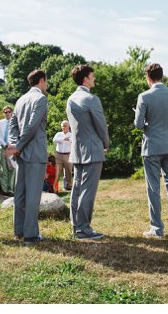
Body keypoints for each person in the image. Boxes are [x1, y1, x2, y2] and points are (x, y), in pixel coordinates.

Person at [134, 62, 168, 238]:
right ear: (162, 76)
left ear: (148, 77)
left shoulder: (144, 96)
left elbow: (138, 125)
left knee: (153, 188)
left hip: (152, 147)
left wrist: (149, 123)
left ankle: (157, 228)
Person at [66, 64, 109, 241]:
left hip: (77, 149)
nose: (94, 79)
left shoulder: (71, 99)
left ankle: (76, 226)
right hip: (92, 149)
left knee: (77, 189)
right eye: (92, 76)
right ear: (86, 79)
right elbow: (101, 125)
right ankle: (84, 229)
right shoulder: (92, 99)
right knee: (87, 191)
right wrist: (106, 143)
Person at [8, 69, 50, 243]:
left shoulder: (20, 100)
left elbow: (13, 126)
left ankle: (19, 230)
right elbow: (32, 126)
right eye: (46, 81)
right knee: (33, 195)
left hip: (21, 154)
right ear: (41, 81)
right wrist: (18, 146)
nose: (47, 85)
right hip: (34, 152)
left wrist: (15, 145)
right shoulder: (41, 99)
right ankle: (31, 234)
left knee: (20, 194)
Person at [0, 106, 15, 195]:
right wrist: (5, 145)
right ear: (3, 113)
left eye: (9, 111)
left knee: (12, 168)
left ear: (12, 112)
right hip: (3, 147)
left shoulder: (15, 123)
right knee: (3, 169)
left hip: (12, 148)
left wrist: (12, 145)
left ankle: (10, 189)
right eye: (5, 112)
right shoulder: (0, 123)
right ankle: (4, 189)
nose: (7, 113)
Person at [52, 121, 74, 192]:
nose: (63, 127)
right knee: (57, 171)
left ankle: (69, 186)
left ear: (68, 127)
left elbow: (74, 141)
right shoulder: (59, 134)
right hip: (59, 155)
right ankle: (54, 187)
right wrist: (63, 139)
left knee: (68, 171)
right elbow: (54, 140)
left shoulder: (71, 134)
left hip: (68, 155)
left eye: (65, 126)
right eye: (62, 126)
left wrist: (69, 139)